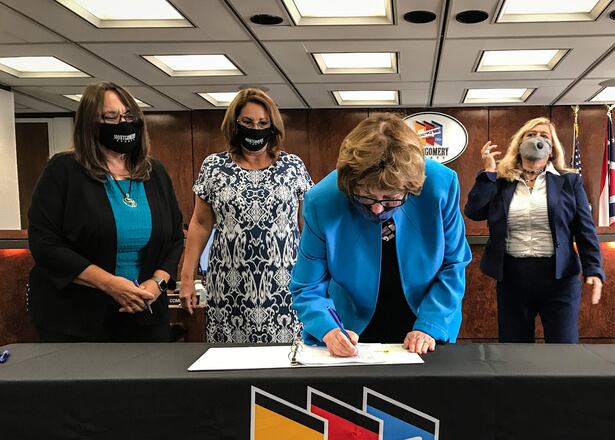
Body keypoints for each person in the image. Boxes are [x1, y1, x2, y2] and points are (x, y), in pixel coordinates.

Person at [289, 113, 472, 356]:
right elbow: (307, 285)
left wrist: (430, 324)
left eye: (390, 198)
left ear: (411, 187)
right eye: (365, 196)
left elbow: (453, 263)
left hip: (426, 315)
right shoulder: (323, 200)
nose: (377, 208)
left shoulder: (440, 185)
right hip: (351, 324)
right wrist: (329, 328)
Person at [27, 81, 183, 342]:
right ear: (90, 124)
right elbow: (45, 244)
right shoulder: (63, 170)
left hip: (145, 310)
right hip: (76, 317)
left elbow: (175, 238)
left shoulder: (154, 173)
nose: (123, 122)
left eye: (129, 116)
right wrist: (111, 284)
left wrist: (156, 284)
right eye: (111, 117)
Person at [179, 88, 313, 343]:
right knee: (229, 366)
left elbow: (308, 225)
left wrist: (316, 279)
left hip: (284, 285)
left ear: (273, 126)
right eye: (248, 122)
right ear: (234, 124)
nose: (255, 128)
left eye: (263, 123)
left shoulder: (293, 166)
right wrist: (187, 277)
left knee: (286, 363)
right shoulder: (214, 166)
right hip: (229, 285)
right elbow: (200, 223)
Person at [464, 117, 604, 343]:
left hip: (559, 278)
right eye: (530, 135)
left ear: (551, 149)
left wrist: (594, 270)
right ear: (519, 145)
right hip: (513, 277)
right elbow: (474, 211)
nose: (536, 139)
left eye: (543, 136)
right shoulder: (500, 181)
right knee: (514, 350)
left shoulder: (569, 181)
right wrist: (489, 172)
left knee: (563, 349)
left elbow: (585, 229)